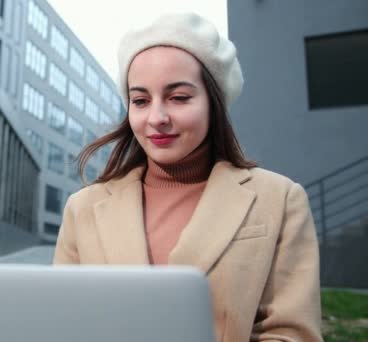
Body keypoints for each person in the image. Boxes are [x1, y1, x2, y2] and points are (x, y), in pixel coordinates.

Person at [53, 12, 322, 342]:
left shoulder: (280, 200)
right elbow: (63, 325)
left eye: (178, 97)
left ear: (214, 102)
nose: (157, 118)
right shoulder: (82, 209)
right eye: (140, 100)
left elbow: (292, 334)